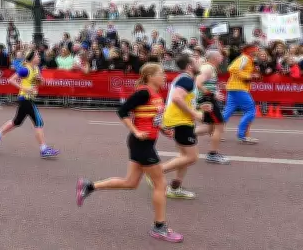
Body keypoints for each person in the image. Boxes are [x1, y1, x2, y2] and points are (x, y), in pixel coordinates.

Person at [76, 63, 184, 243]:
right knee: (160, 184)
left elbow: (152, 118)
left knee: (131, 182)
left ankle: (89, 186)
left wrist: (163, 130)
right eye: (161, 73)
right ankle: (159, 227)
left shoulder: (157, 94)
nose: (165, 77)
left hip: (145, 143)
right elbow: (122, 111)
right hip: (141, 144)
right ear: (150, 76)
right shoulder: (144, 93)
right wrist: (135, 131)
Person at [0, 51, 60, 158]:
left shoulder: (36, 69)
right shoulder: (25, 69)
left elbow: (41, 83)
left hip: (28, 99)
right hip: (26, 99)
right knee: (39, 122)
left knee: (17, 121)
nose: (39, 57)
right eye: (37, 56)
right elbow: (11, 80)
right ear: (32, 58)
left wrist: (40, 79)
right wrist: (25, 88)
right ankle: (44, 149)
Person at [152, 54, 203, 200]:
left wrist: (197, 109)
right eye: (196, 61)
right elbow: (176, 98)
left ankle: (175, 188)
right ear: (189, 66)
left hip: (181, 121)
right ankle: (156, 172)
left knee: (184, 156)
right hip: (181, 122)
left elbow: (183, 99)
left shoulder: (184, 79)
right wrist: (194, 113)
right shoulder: (186, 80)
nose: (200, 62)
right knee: (192, 157)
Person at [194, 49, 229, 164]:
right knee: (219, 125)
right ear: (214, 58)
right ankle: (212, 155)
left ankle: (187, 134)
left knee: (210, 128)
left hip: (208, 99)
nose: (222, 58)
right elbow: (198, 83)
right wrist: (214, 95)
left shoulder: (210, 68)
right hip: (208, 101)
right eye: (220, 56)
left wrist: (218, 87)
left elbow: (206, 83)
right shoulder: (207, 68)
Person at [222, 45, 260, 144]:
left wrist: (251, 75)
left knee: (227, 111)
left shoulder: (248, 59)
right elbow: (232, 68)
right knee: (250, 110)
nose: (258, 52)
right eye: (256, 50)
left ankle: (215, 131)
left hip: (233, 88)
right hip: (239, 88)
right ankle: (242, 136)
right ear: (251, 51)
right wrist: (248, 76)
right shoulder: (245, 58)